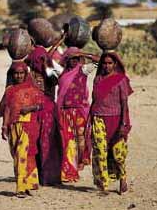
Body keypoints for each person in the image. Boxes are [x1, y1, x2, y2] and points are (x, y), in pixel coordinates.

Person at [89, 52, 133, 195]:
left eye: (110, 63)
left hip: (116, 119)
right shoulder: (98, 79)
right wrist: (90, 119)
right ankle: (104, 185)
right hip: (99, 118)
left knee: (118, 153)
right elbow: (94, 100)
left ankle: (123, 178)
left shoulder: (120, 80)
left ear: (115, 64)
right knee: (100, 152)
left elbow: (124, 103)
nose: (107, 66)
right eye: (104, 63)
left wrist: (124, 124)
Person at [1, 61, 44, 198]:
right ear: (12, 75)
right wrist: (4, 126)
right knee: (16, 156)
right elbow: (7, 109)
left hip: (28, 125)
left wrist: (29, 108)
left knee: (22, 154)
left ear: (26, 74)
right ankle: (26, 185)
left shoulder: (33, 89)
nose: (19, 76)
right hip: (13, 125)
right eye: (16, 73)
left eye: (21, 73)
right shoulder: (9, 90)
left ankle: (20, 187)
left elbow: (40, 105)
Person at [57, 47, 99, 182]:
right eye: (71, 59)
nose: (74, 62)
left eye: (76, 59)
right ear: (67, 60)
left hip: (80, 111)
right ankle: (69, 172)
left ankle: (80, 161)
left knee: (81, 140)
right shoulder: (61, 73)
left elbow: (99, 60)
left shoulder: (83, 70)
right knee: (68, 142)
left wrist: (83, 53)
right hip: (65, 112)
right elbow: (48, 61)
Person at [25, 42, 62, 186]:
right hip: (43, 108)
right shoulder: (41, 66)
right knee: (45, 142)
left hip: (36, 108)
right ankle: (46, 177)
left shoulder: (28, 67)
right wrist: (47, 64)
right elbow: (54, 80)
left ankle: (38, 176)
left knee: (38, 142)